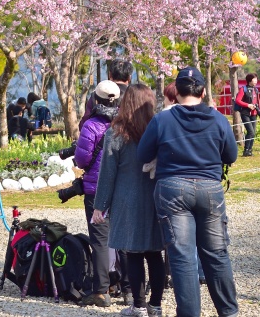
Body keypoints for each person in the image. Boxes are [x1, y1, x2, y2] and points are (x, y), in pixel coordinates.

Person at [137, 66, 239, 317]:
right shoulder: (217, 119)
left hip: (172, 188)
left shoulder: (162, 120)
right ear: (203, 92)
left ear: (177, 91)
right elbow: (231, 155)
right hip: (210, 188)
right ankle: (229, 312)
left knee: (182, 257)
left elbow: (143, 154)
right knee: (216, 253)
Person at [93, 84, 165, 317]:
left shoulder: (116, 133)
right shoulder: (159, 129)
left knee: (133, 254)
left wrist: (99, 206)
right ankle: (155, 305)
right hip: (155, 198)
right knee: (154, 253)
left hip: (127, 200)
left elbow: (107, 174)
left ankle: (139, 306)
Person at [75, 79, 122, 307]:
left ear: (95, 99)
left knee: (100, 241)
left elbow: (82, 160)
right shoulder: (125, 123)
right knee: (123, 237)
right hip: (121, 188)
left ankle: (102, 290)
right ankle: (128, 287)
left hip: (95, 190)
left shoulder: (91, 125)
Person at [234, 73, 260, 157]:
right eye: (254, 79)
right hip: (245, 114)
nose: (256, 81)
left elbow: (258, 102)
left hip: (254, 114)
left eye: (256, 79)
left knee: (253, 133)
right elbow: (238, 100)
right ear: (250, 80)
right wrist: (248, 105)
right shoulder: (243, 89)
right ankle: (246, 150)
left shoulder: (256, 90)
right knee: (250, 131)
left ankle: (250, 150)